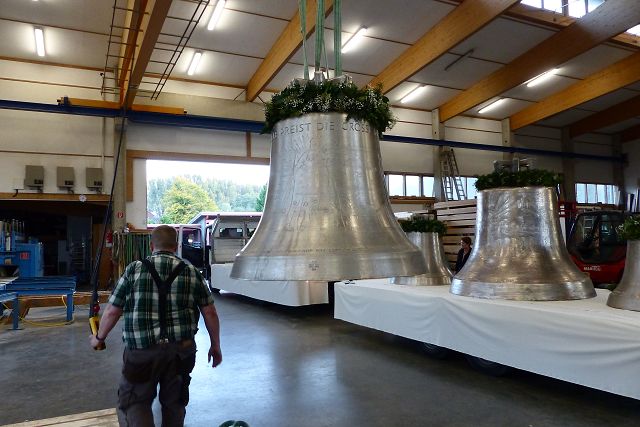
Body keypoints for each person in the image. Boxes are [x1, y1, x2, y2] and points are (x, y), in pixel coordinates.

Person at [89, 225, 222, 427]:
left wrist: (99, 337)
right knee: (175, 403)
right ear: (176, 246)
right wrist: (215, 345)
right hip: (180, 352)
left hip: (141, 351)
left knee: (136, 402)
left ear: (151, 246)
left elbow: (113, 311)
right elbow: (210, 312)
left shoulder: (134, 269)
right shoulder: (192, 272)